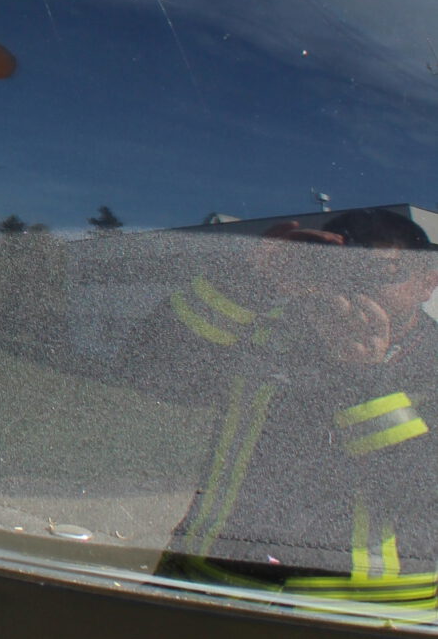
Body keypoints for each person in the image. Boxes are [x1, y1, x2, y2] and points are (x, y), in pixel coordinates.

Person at [151, 208, 438, 607]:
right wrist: (249, 279)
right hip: (208, 584)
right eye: (340, 266)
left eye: (382, 270)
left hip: (374, 615)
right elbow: (150, 369)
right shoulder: (259, 329)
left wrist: (364, 378)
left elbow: (424, 499)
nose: (356, 282)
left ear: (427, 282)